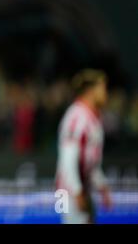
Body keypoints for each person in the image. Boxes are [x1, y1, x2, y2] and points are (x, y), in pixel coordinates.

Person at [56, 69, 112, 224]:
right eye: (103, 88)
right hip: (67, 192)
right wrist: (77, 192)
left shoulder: (91, 117)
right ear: (91, 91)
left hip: (81, 189)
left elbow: (91, 162)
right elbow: (67, 160)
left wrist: (102, 186)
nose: (106, 93)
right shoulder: (77, 117)